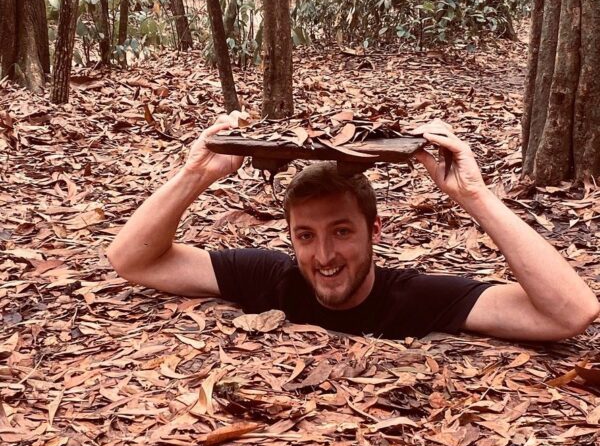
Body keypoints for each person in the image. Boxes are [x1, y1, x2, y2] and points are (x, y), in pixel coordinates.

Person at [107, 116, 599, 342]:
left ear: (374, 230)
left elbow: (568, 313)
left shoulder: (415, 298)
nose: (323, 255)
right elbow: (132, 259)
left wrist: (474, 196)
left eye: (341, 232)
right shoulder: (269, 277)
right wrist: (195, 174)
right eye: (306, 235)